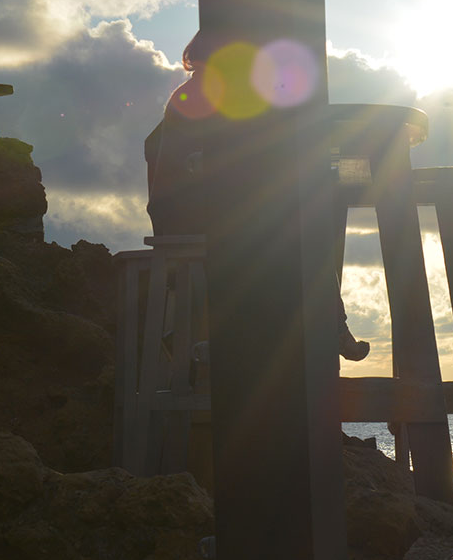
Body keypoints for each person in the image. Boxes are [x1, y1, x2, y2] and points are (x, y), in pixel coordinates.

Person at [144, 30, 370, 361]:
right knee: (299, 231)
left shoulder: (200, 90)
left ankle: (315, 332)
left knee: (297, 226)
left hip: (194, 212)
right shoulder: (206, 93)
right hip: (195, 216)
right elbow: (215, 162)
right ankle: (324, 332)